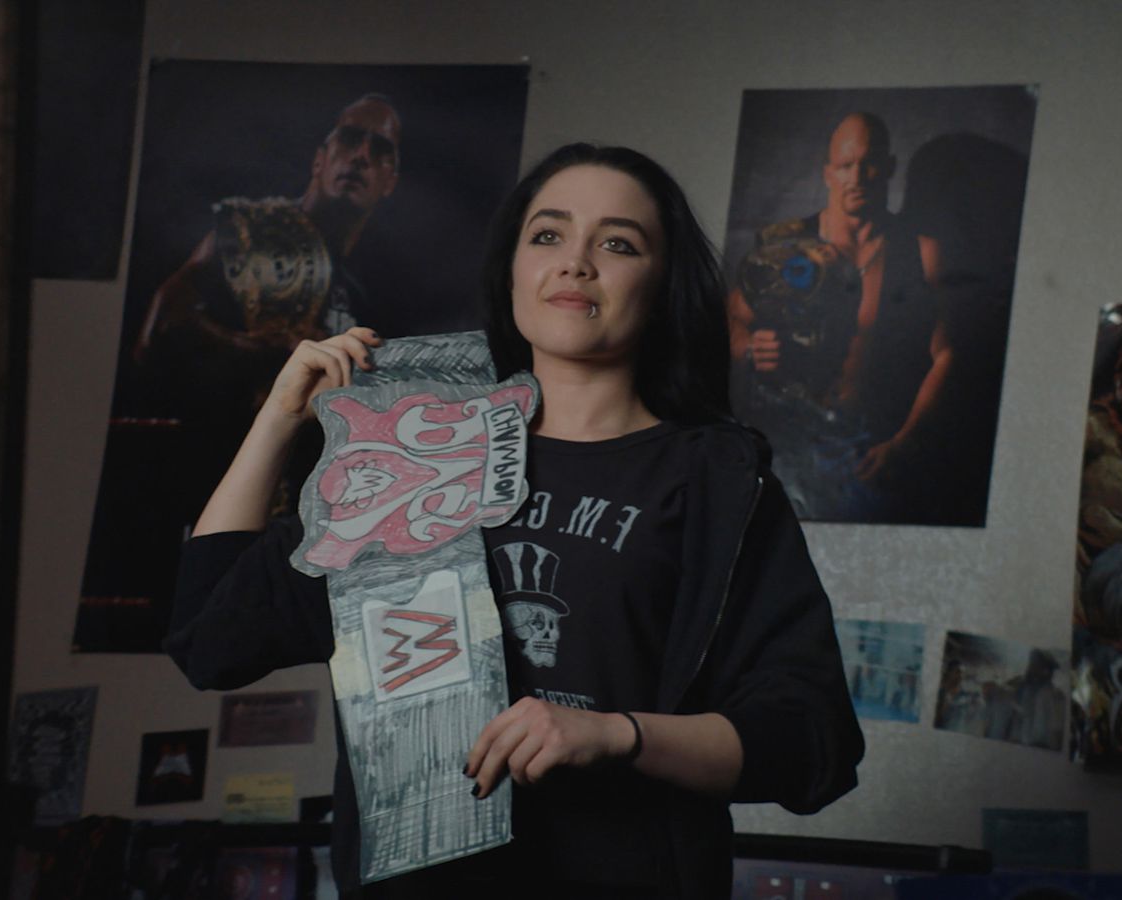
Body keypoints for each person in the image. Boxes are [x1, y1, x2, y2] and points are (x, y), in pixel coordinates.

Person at [165, 143, 863, 897]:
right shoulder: (408, 450)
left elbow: (811, 740)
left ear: (664, 285)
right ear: (511, 270)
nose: (576, 263)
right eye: (548, 235)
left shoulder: (716, 481)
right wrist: (277, 418)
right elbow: (210, 639)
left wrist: (619, 735)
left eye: (618, 244)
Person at [727, 112, 948, 512]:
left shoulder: (922, 252)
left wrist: (904, 442)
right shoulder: (783, 247)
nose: (857, 177)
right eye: (846, 165)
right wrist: (749, 347)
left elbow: (948, 353)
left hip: (874, 449)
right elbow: (732, 320)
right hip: (789, 445)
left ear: (889, 168)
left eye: (869, 163)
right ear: (828, 173)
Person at [134, 93, 403, 374]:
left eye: (380, 150)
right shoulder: (249, 231)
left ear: (390, 183)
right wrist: (262, 351)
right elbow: (160, 329)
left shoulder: (370, 290)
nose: (362, 156)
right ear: (319, 161)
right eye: (349, 139)